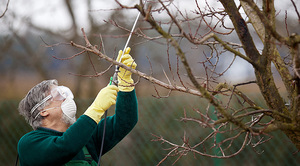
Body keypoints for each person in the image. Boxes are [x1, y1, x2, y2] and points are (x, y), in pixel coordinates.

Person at [17, 48, 138, 166]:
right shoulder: (29, 143)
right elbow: (65, 147)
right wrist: (96, 108)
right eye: (58, 95)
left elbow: (125, 121)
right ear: (42, 111)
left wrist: (125, 84)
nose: (67, 98)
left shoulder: (87, 138)